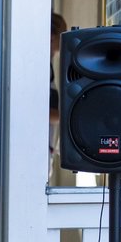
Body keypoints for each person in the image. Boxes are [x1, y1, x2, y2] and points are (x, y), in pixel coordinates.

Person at [48, 11, 68, 174]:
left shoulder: (48, 66)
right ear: (52, 36)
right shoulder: (40, 67)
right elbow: (39, 113)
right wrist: (69, 117)